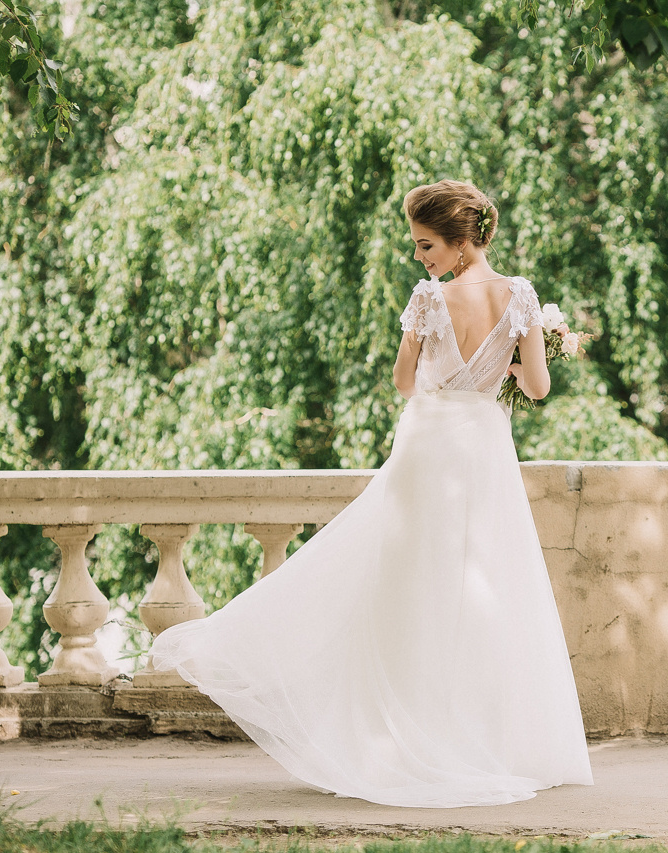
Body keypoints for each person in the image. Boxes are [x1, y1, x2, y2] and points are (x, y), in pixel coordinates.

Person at [150, 179, 594, 806]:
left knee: (411, 587)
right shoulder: (520, 295)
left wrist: (449, 368)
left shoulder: (428, 300)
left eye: (426, 245)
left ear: (459, 242)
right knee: (487, 581)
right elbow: (542, 388)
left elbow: (405, 382)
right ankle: (489, 742)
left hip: (431, 446)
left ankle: (406, 736)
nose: (421, 258)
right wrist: (512, 370)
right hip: (486, 448)